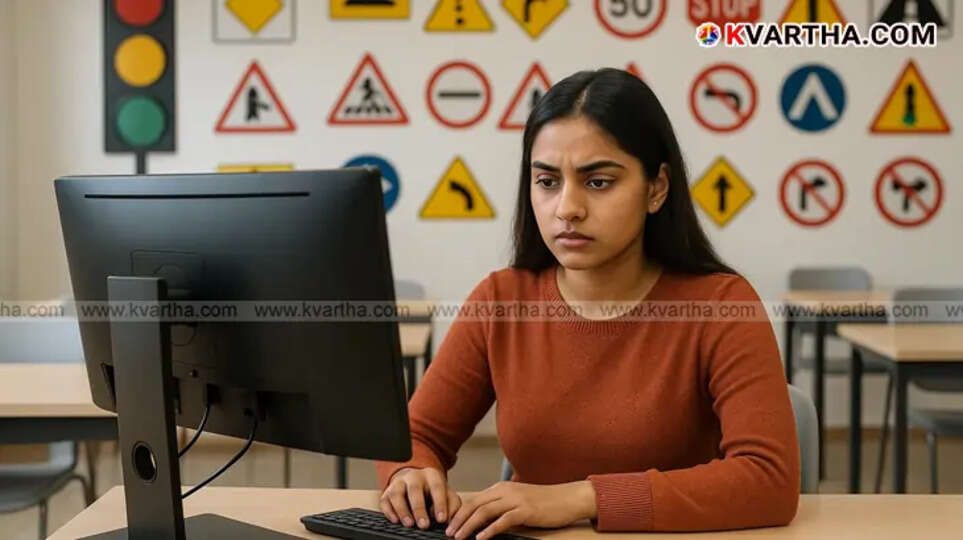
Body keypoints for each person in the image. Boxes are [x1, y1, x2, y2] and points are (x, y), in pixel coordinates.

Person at [374, 68, 799, 536]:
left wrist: (580, 498)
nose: (567, 208)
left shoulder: (721, 305)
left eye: (598, 182)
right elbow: (415, 436)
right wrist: (408, 473)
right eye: (547, 181)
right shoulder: (502, 300)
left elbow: (768, 479)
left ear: (657, 188)